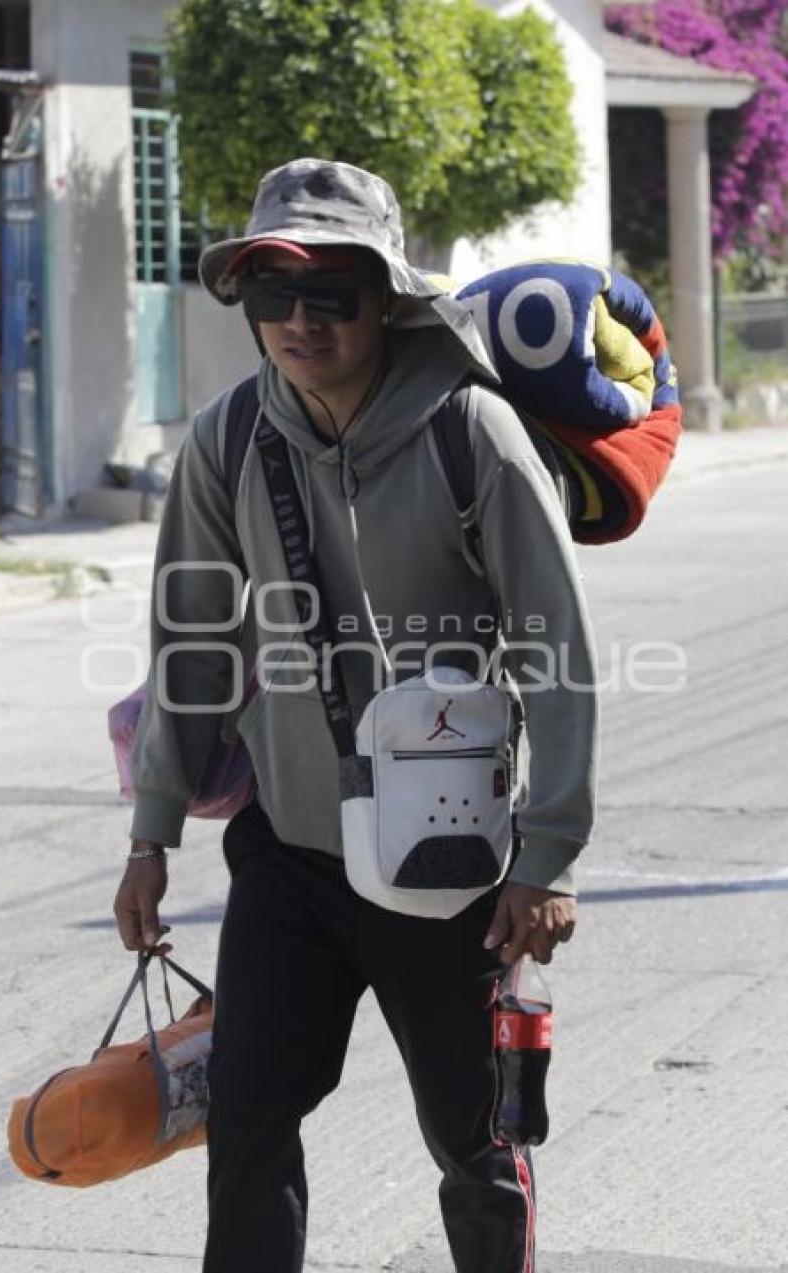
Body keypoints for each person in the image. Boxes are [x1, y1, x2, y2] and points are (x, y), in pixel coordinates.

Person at [113, 157, 598, 1273]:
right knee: (246, 1118)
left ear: (387, 296)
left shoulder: (470, 432)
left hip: (450, 868)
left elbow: (555, 652)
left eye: (330, 291)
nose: (299, 319)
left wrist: (551, 854)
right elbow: (189, 644)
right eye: (271, 291)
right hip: (288, 854)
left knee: (475, 1140)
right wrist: (150, 834)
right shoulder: (229, 438)